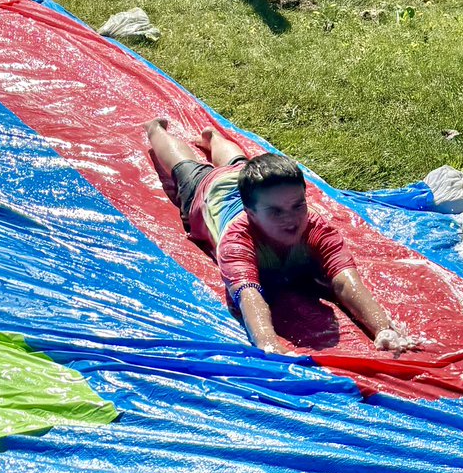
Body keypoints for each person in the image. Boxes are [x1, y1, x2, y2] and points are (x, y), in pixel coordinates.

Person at [143, 119, 418, 355]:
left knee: (241, 165)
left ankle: (212, 138)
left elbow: (345, 281)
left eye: (298, 205)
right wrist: (268, 343)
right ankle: (155, 129)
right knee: (185, 167)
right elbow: (249, 296)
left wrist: (383, 328)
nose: (291, 219)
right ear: (250, 213)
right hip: (211, 191)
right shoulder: (237, 240)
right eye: (276, 212)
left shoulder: (315, 227)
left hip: (250, 185)